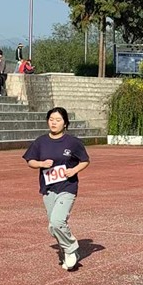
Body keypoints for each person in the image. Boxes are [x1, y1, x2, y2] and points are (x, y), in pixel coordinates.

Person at [23, 107, 90, 271]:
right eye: (51, 119)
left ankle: (71, 249)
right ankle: (69, 251)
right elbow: (30, 160)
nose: (54, 123)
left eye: (58, 120)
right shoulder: (41, 141)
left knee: (57, 221)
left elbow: (85, 160)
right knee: (53, 227)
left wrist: (74, 170)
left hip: (67, 187)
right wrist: (41, 163)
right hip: (48, 188)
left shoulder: (72, 142)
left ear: (65, 123)